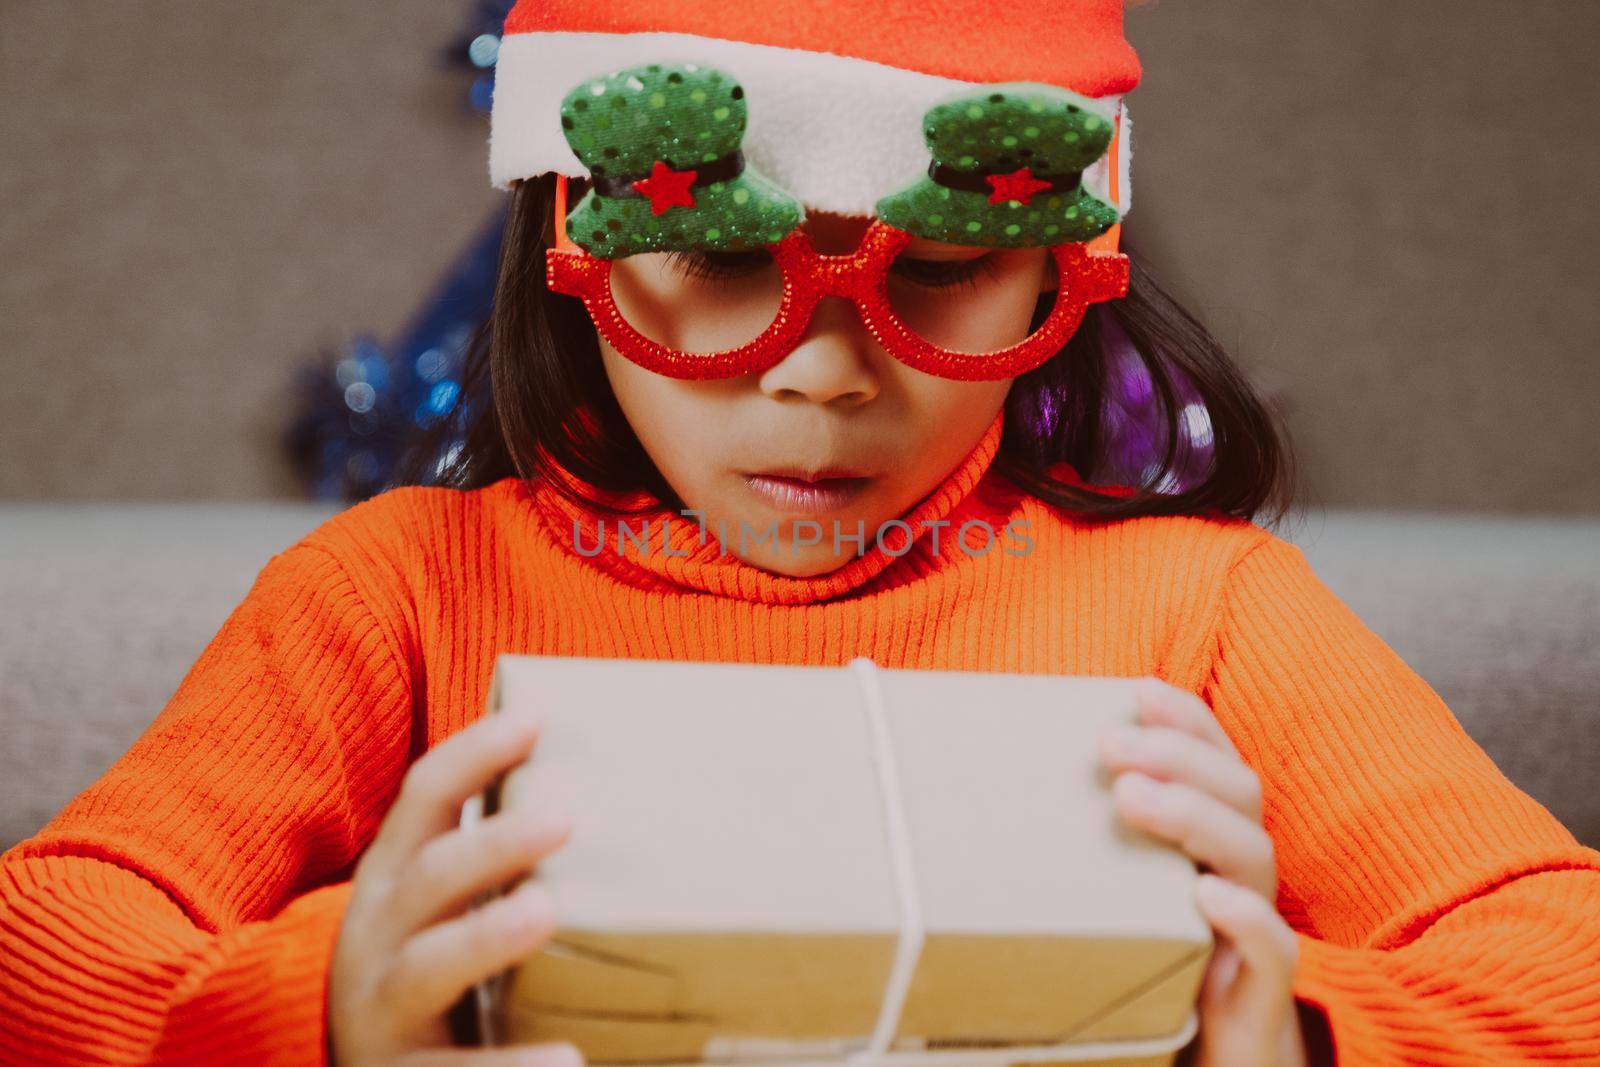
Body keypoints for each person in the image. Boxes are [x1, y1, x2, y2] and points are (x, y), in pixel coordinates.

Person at [3, 2, 1598, 1065]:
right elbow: (46, 943)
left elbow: (1561, 960)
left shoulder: (1209, 613)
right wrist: (323, 1011)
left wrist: (1295, 1036)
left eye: (937, 269)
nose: (826, 373)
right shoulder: (403, 592)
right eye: (712, 255)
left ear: (1058, 268)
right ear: (573, 243)